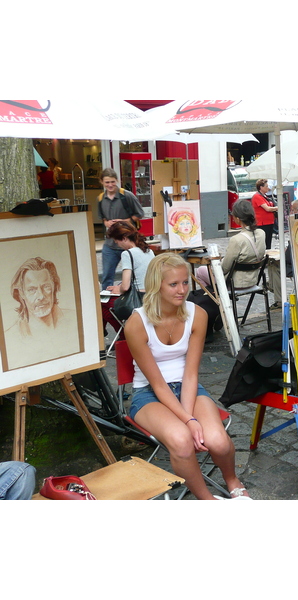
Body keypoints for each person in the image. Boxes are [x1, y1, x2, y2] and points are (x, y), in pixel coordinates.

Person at [125, 253, 251, 500]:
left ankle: (232, 480)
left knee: (218, 441)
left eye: (185, 282)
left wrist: (189, 415)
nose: (182, 290)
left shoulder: (197, 314)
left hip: (187, 385)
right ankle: (207, 500)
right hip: (148, 393)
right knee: (182, 441)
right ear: (156, 285)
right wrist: (189, 420)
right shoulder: (137, 323)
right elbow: (158, 384)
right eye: (173, 284)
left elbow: (191, 373)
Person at [195, 200, 266, 335]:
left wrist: (214, 262)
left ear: (238, 219)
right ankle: (220, 304)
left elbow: (224, 269)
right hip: (254, 280)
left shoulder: (237, 239)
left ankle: (218, 308)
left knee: (200, 271)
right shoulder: (261, 233)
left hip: (235, 283)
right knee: (209, 277)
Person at [5, 256, 79, 369]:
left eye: (46, 287)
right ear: (21, 293)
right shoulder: (11, 337)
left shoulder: (76, 320)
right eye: (32, 290)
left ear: (54, 287)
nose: (40, 296)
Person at [101, 221, 155, 337]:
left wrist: (118, 289)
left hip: (138, 300)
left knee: (102, 303)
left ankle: (123, 335)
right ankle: (105, 333)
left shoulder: (127, 254)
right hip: (152, 298)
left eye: (117, 242)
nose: (118, 245)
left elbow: (125, 287)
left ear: (124, 238)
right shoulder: (149, 251)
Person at [97, 168, 145, 290]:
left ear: (117, 181)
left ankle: (133, 299)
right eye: (107, 182)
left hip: (127, 242)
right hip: (110, 244)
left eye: (112, 181)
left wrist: (123, 222)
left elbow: (140, 213)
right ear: (102, 182)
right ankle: (107, 304)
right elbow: (102, 217)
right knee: (107, 276)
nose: (110, 185)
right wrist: (106, 223)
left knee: (134, 275)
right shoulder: (101, 198)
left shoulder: (126, 195)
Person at [267, 199, 298, 308]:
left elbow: (292, 256)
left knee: (274, 264)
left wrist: (286, 254)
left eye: (292, 210)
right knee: (274, 263)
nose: (290, 213)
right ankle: (273, 287)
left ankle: (278, 297)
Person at [251, 178, 277, 249]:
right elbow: (267, 209)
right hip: (262, 223)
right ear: (261, 187)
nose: (268, 188)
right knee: (264, 242)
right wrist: (277, 208)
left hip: (269, 222)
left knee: (268, 242)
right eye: (266, 186)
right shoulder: (257, 197)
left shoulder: (264, 196)